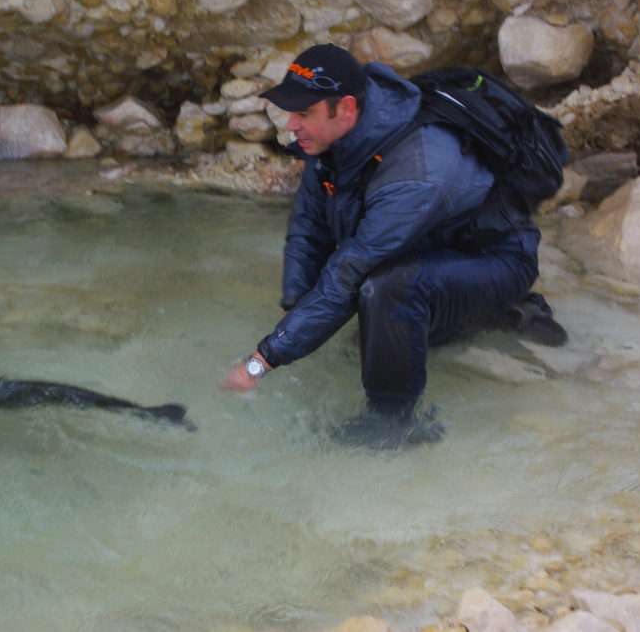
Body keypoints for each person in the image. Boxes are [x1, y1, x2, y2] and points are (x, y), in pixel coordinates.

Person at [221, 44, 567, 448]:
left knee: (384, 292)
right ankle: (486, 317)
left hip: (496, 259)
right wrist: (295, 311)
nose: (291, 124)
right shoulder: (333, 141)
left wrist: (260, 362)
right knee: (370, 335)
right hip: (430, 248)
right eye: (290, 111)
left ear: (346, 108)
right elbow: (308, 226)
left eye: (304, 113)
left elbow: (350, 272)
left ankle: (395, 423)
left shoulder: (416, 172)